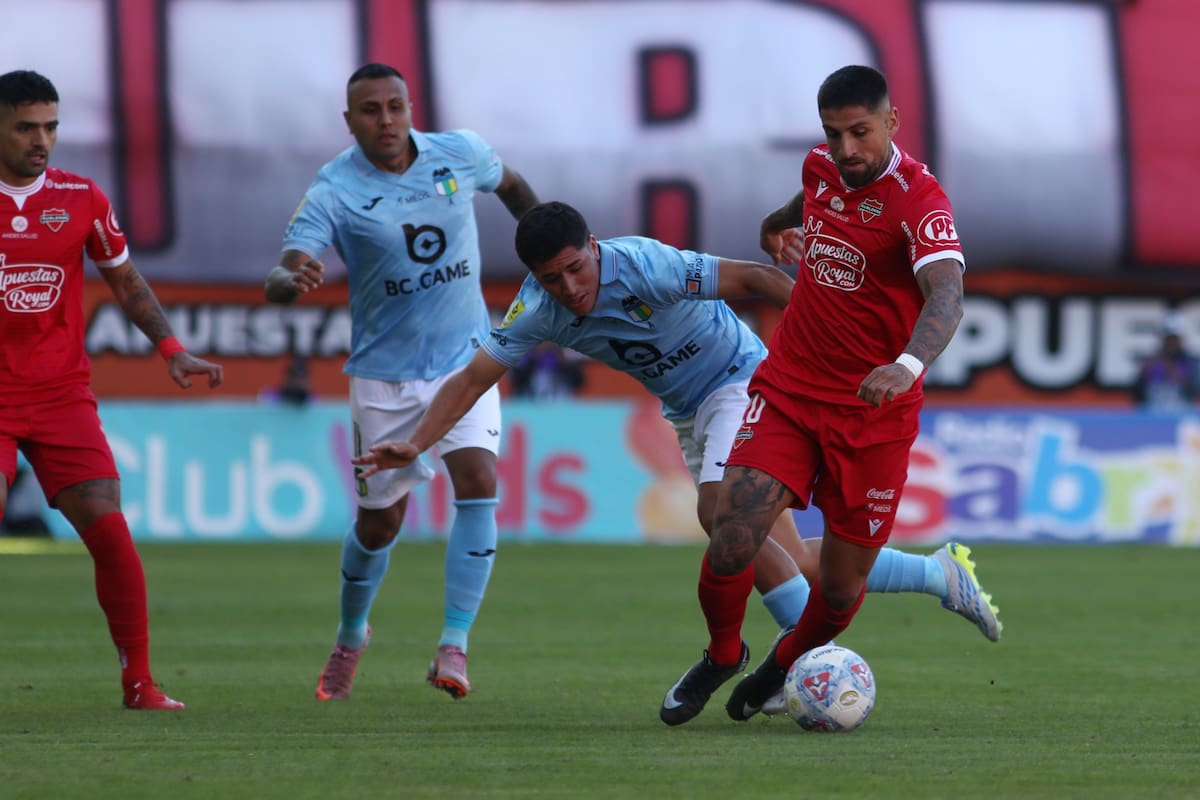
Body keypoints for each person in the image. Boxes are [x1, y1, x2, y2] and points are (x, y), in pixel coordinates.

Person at [351, 201, 1000, 718]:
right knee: (788, 555)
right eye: (554, 279)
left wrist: (826, 338)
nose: (572, 287)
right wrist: (416, 438)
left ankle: (783, 664)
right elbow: (471, 380)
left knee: (720, 512)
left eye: (578, 268)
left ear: (594, 249)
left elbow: (753, 276)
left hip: (742, 380)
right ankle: (935, 577)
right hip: (689, 414)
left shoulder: (643, 265)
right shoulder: (539, 310)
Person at [651, 64, 999, 726]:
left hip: (873, 415)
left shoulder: (920, 201)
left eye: (860, 133)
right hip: (790, 389)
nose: (846, 150)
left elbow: (948, 296)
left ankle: (778, 671)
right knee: (732, 531)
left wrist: (906, 362)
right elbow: (804, 201)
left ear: (891, 123)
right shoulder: (821, 170)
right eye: (834, 134)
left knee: (838, 588)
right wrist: (772, 226)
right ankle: (723, 653)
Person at [264, 63, 540, 702]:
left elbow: (516, 187)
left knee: (477, 482)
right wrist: (288, 282)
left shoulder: (460, 153)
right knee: (380, 525)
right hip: (384, 380)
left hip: (466, 361)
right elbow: (287, 268)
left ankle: (454, 645)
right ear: (349, 119)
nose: (385, 120)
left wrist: (549, 249)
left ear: (411, 106)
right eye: (370, 110)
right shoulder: (335, 187)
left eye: (395, 106)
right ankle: (351, 635)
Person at [0, 70, 224, 709]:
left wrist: (172, 350)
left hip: (59, 394)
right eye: (25, 127)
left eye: (49, 127)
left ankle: (140, 683)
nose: (41, 140)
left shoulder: (81, 198)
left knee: (109, 528)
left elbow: (126, 281)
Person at [1132, 316, 1198, 411]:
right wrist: (1144, 373)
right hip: (1153, 415)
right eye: (1168, 338)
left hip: (1182, 416)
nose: (1171, 343)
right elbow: (1135, 394)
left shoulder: (1191, 362)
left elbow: (1194, 390)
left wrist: (1178, 375)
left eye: (1174, 339)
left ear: (1181, 339)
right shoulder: (1151, 360)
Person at [509, 341, 585, 400]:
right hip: (531, 403)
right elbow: (516, 380)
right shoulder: (527, 357)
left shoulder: (561, 358)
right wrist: (534, 359)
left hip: (559, 404)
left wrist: (565, 363)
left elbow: (579, 382)